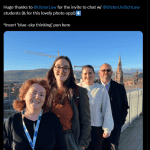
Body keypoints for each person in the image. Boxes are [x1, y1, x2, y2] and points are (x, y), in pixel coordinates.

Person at [3, 78, 67, 150]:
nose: (37, 97)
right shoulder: (12, 121)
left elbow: (62, 147)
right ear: (24, 96)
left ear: (45, 99)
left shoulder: (53, 119)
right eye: (34, 92)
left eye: (41, 95)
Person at [46, 56, 91, 150]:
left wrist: (82, 144)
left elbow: (86, 120)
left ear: (70, 71)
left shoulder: (79, 92)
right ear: (53, 69)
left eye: (65, 68)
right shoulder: (45, 91)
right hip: (48, 139)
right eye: (58, 66)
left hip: (69, 140)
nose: (61, 70)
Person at [77, 65, 114, 150]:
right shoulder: (77, 88)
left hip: (96, 127)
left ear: (94, 74)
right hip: (80, 127)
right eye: (85, 73)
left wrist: (107, 128)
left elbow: (106, 108)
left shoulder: (101, 89)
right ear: (82, 75)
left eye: (90, 73)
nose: (88, 76)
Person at [95, 63, 129, 150]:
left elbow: (125, 107)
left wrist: (120, 122)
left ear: (112, 72)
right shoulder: (93, 87)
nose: (106, 72)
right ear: (99, 73)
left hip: (114, 128)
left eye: (108, 70)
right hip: (97, 128)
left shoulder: (120, 88)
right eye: (103, 70)